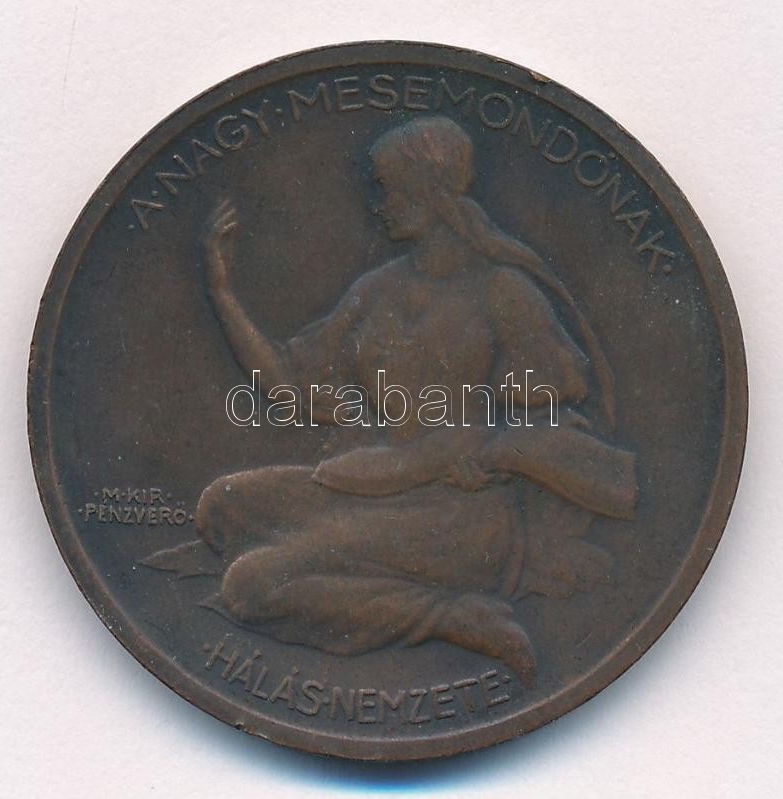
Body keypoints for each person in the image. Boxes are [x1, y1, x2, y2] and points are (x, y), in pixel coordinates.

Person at [196, 116, 636, 687]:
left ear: (430, 189)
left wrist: (474, 453)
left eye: (387, 187)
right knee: (221, 506)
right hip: (375, 489)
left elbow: (552, 421)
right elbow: (286, 388)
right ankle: (366, 570)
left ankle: (454, 616)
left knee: (250, 585)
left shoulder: (504, 292)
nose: (378, 204)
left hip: (464, 516)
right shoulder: (376, 291)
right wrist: (221, 292)